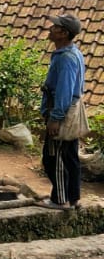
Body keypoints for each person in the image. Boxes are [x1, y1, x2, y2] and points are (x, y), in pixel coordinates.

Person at [39, 13, 86, 210]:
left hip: (62, 112)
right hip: (71, 110)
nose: (51, 28)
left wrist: (55, 118)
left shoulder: (66, 58)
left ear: (64, 33)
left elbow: (65, 91)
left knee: (53, 158)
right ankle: (73, 197)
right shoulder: (73, 53)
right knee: (69, 156)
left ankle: (60, 199)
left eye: (55, 26)